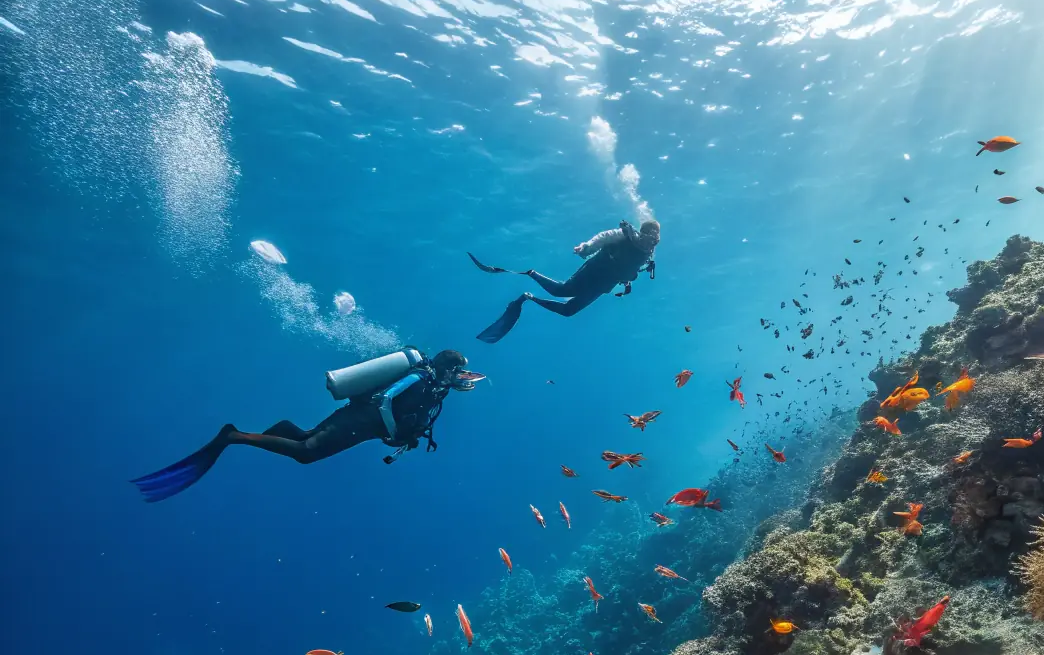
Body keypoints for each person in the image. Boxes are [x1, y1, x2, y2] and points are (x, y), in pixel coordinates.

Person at [131, 349, 476, 502]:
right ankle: (233, 436)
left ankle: (279, 427)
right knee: (307, 453)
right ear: (446, 368)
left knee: (309, 438)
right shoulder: (420, 377)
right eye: (457, 371)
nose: (459, 377)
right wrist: (393, 429)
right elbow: (386, 399)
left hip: (363, 424)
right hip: (360, 419)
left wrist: (400, 434)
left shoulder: (434, 389)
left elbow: (409, 417)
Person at [470, 219, 660, 343]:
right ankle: (531, 273)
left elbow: (630, 269)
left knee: (568, 311)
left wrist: (627, 283)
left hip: (603, 285)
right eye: (650, 233)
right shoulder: (625, 234)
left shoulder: (648, 253)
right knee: (561, 291)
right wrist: (586, 248)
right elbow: (603, 238)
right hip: (595, 271)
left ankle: (528, 297)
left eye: (655, 235)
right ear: (643, 230)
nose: (652, 238)